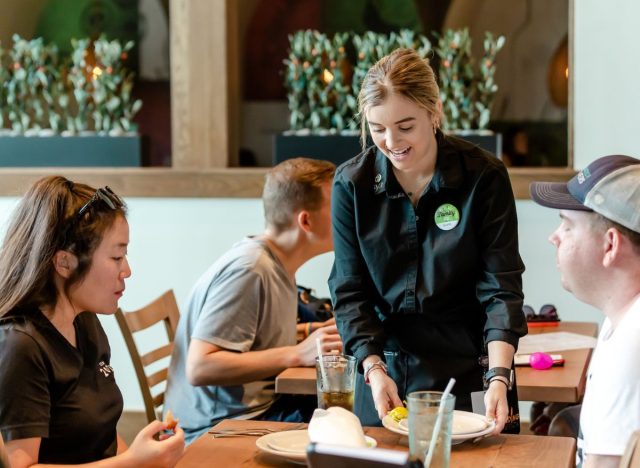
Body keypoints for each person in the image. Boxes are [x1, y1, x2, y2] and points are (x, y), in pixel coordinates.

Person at [329, 48, 527, 432]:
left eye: (406, 126)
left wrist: (500, 375)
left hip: (473, 366)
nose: (391, 142)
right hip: (384, 369)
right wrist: (372, 369)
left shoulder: (484, 178)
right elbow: (350, 291)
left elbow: (501, 287)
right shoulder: (352, 185)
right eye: (377, 128)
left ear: (434, 111)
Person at [0, 177, 184, 468]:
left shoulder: (84, 321)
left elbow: (103, 440)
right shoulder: (21, 345)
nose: (127, 270)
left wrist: (143, 457)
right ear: (64, 263)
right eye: (116, 256)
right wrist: (135, 462)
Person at [164, 158, 343, 444]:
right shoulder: (249, 270)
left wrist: (312, 334)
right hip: (218, 428)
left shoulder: (279, 263)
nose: (346, 215)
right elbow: (200, 367)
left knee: (345, 418)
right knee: (344, 431)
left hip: (254, 412)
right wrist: (297, 354)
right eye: (337, 207)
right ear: (306, 221)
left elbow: (251, 336)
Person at [530, 154, 640, 468]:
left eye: (566, 224)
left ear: (610, 245)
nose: (554, 237)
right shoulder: (622, 317)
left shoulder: (632, 345)